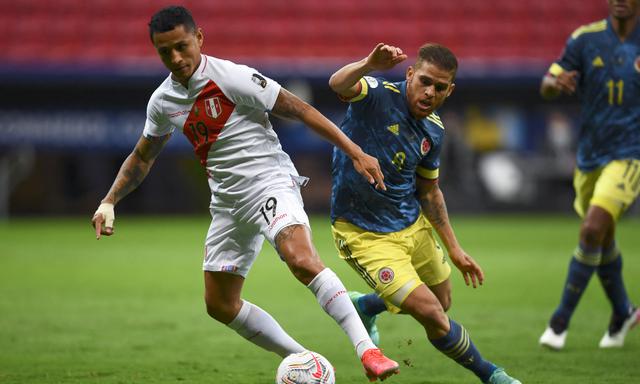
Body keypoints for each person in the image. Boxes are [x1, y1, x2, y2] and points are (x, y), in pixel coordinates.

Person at [90, 5, 400, 381]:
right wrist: (109, 200)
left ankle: (368, 351)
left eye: (182, 46)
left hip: (269, 182)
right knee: (220, 305)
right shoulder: (163, 101)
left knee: (300, 260)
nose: (175, 57)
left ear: (199, 38)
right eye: (164, 51)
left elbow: (300, 109)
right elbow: (142, 156)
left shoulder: (232, 77)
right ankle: (305, 360)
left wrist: (355, 152)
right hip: (227, 203)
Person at [328, 43, 521, 384]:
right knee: (432, 313)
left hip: (411, 225)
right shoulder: (377, 92)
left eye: (440, 87)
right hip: (365, 233)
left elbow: (429, 192)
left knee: (441, 301)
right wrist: (369, 64)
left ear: (450, 90)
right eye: (425, 82)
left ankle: (367, 306)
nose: (430, 92)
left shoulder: (435, 129)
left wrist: (455, 249)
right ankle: (492, 375)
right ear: (410, 75)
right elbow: (338, 84)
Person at [538, 0, 640, 350]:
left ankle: (559, 322)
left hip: (630, 154)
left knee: (592, 228)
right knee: (603, 237)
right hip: (590, 156)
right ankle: (623, 311)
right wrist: (556, 83)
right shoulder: (585, 39)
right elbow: (547, 83)